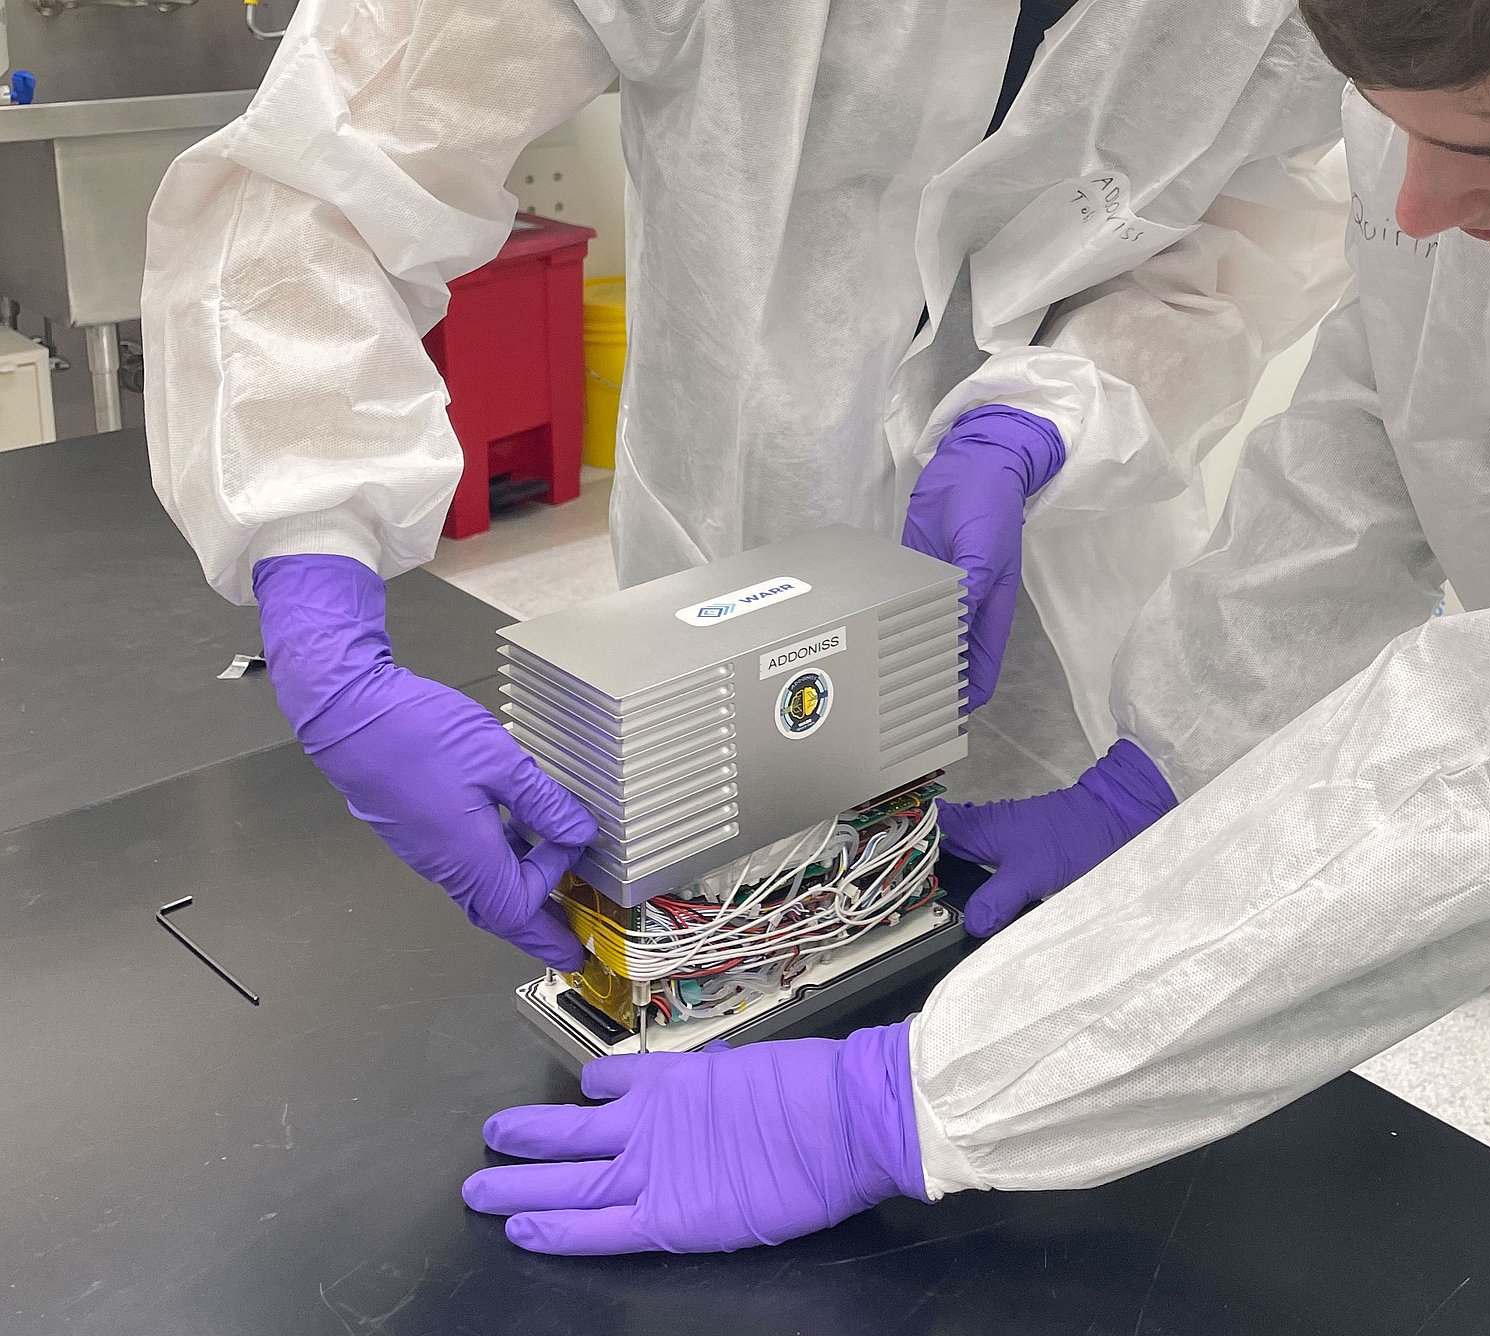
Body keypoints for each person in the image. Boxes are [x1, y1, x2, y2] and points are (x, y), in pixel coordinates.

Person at [457, 4, 1490, 1335]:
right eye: (1397, 131)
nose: (1419, 204)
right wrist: (1164, 769)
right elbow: (1366, 463)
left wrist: (908, 1101)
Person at [141, 1, 1353, 969]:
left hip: (1068, 570)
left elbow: (1227, 230)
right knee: (719, 935)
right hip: (734, 536)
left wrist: (1044, 417)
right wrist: (313, 589)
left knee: (1016, 983)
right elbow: (326, 167)